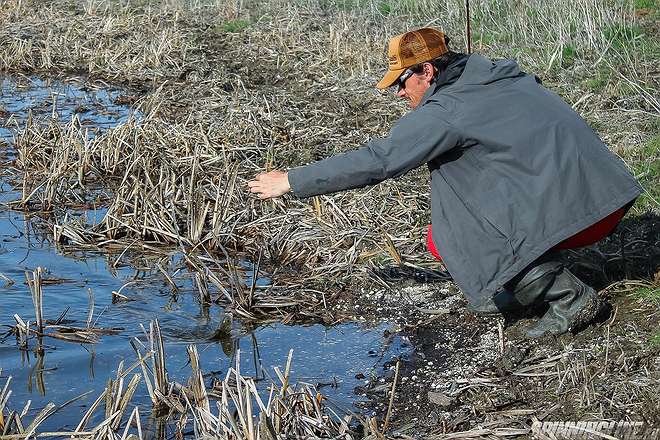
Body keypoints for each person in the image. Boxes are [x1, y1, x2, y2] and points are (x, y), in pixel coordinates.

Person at [247, 28, 641, 338]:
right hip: (607, 198)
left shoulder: (447, 110)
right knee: (461, 185)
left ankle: (569, 297)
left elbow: (380, 161)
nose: (398, 91)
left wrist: (293, 180)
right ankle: (520, 280)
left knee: (450, 230)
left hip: (580, 215)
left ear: (428, 71)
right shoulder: (497, 76)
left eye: (402, 81)